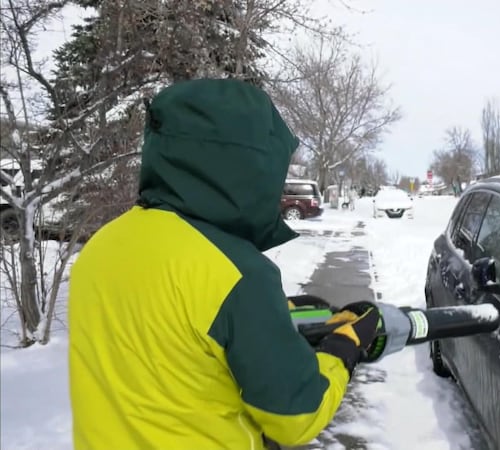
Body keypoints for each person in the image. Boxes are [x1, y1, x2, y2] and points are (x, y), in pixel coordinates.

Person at [67, 78, 380, 450]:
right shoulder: (237, 274)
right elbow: (297, 417)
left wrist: (268, 318)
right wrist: (343, 348)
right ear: (246, 168)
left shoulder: (102, 246)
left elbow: (166, 335)